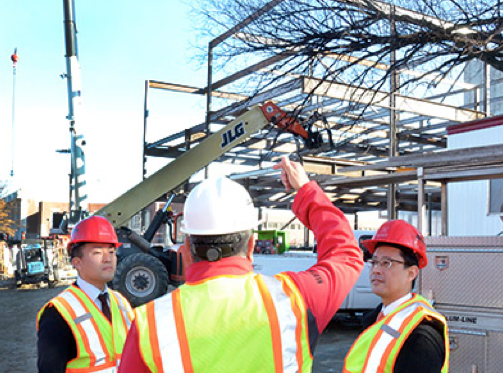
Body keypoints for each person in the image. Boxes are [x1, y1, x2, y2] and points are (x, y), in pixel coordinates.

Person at [118, 157, 364, 373]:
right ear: (251, 245)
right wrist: (307, 192)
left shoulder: (150, 322)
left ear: (187, 248)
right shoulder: (295, 298)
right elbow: (346, 254)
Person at [343, 220, 449, 373]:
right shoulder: (378, 318)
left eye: (387, 263)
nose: (376, 270)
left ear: (411, 273)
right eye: (374, 262)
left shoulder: (421, 336)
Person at [37, 215, 134, 373]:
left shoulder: (121, 302)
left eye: (111, 251)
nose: (107, 258)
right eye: (97, 252)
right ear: (77, 263)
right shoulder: (58, 312)